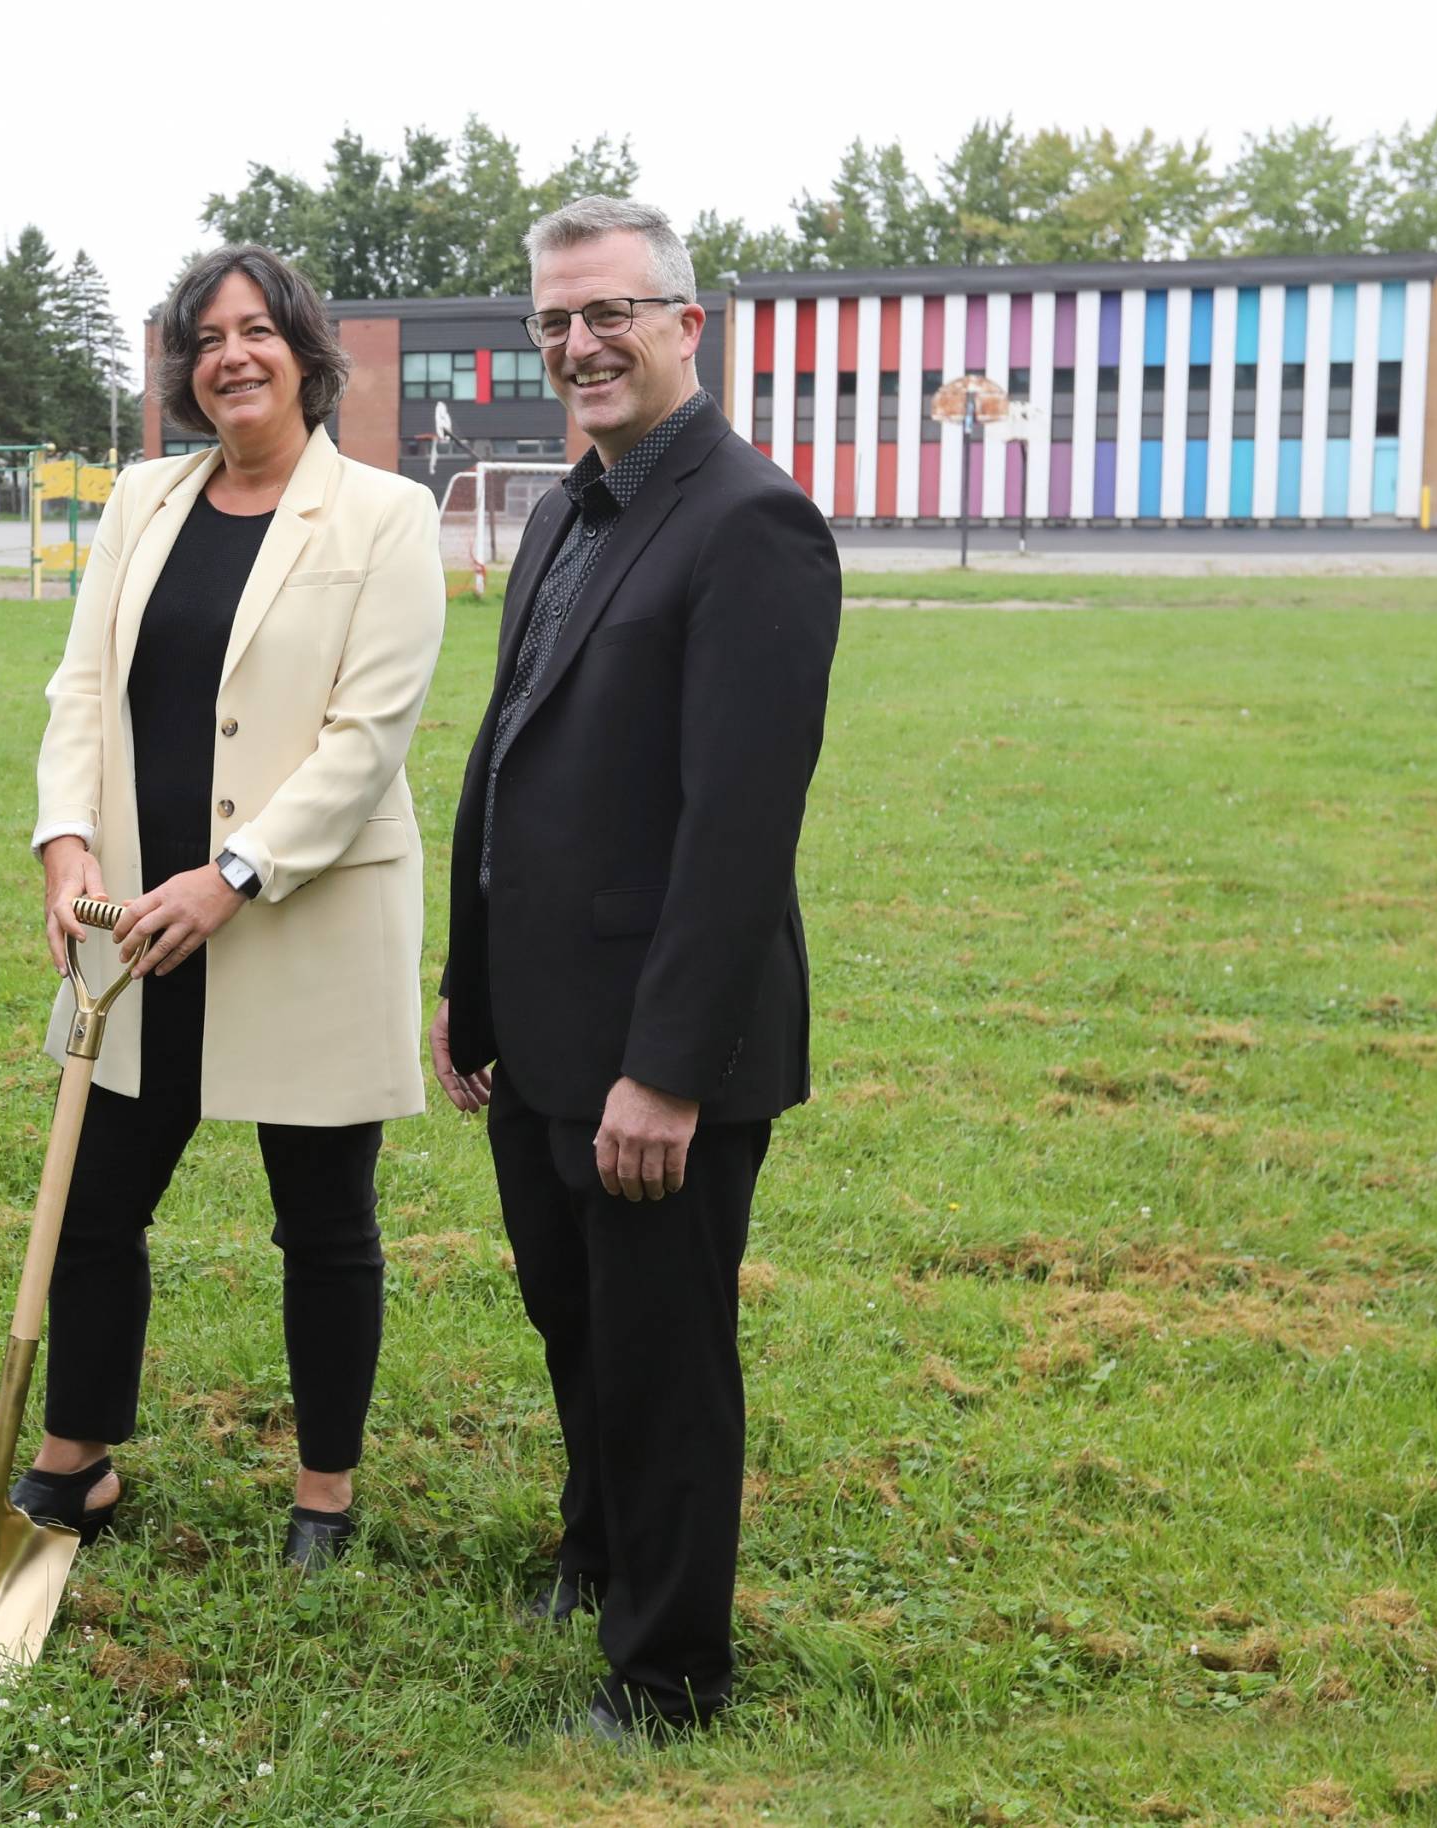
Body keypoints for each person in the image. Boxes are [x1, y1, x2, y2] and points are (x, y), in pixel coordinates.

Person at [430, 198, 840, 1738]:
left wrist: (662, 1073)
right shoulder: (562, 505)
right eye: (552, 320)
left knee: (663, 1356)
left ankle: (668, 1668)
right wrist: (467, 986)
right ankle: (598, 1548)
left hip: (662, 1045)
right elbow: (504, 762)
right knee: (572, 1318)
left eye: (609, 313)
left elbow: (736, 835)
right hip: (535, 1021)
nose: (579, 344)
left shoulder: (751, 524)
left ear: (686, 322)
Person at [23, 244, 445, 1570]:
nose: (231, 357)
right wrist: (64, 844)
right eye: (206, 338)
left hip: (299, 916)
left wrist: (235, 875)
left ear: (306, 355)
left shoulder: (384, 515)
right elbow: (79, 689)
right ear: (184, 370)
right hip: (137, 923)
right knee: (91, 1206)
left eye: (257, 332)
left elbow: (364, 737)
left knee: (323, 1228)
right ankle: (69, 1465)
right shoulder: (141, 498)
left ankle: (322, 1496)